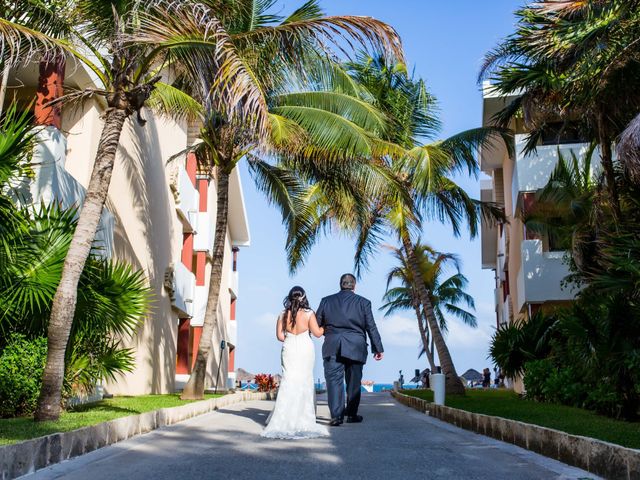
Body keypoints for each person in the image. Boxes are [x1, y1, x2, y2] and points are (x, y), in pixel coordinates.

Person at [261, 286, 329, 439]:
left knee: (288, 380)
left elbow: (279, 336)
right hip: (305, 347)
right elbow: (317, 333)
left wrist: (291, 338)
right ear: (304, 297)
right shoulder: (309, 313)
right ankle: (303, 417)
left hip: (289, 347)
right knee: (304, 380)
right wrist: (326, 327)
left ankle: (284, 418)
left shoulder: (283, 314)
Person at [316, 274, 384, 426]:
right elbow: (371, 326)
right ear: (355, 286)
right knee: (354, 383)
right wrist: (377, 348)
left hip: (332, 346)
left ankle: (336, 417)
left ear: (340, 284)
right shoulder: (363, 302)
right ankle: (352, 415)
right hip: (356, 347)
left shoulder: (326, 301)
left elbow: (317, 322)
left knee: (334, 382)